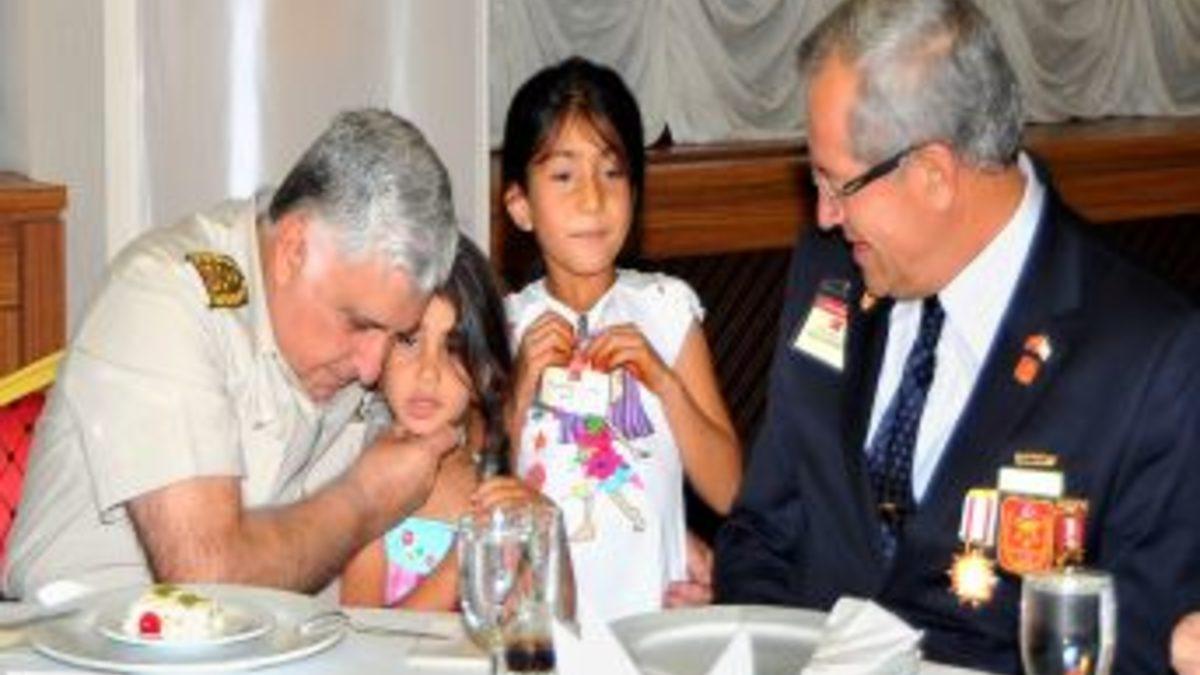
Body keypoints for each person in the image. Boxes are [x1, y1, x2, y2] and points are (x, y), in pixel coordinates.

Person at [713, 0, 1200, 672]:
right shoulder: (833, 275)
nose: (824, 214)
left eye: (836, 182)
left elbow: (1143, 642)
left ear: (934, 174)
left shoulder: (1149, 353)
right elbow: (763, 530)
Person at [3, 109, 463, 599]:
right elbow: (206, 578)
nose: (371, 368)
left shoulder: (353, 320)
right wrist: (365, 501)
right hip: (76, 632)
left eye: (398, 336)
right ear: (293, 248)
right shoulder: (163, 296)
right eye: (359, 324)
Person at [500, 57, 742, 622]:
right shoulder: (506, 326)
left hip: (654, 625)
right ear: (520, 205)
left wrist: (665, 382)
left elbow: (731, 492)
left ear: (635, 190)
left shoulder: (666, 309)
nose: (592, 199)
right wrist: (520, 389)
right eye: (564, 175)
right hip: (544, 629)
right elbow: (481, 493)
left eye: (612, 172)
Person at [340, 236, 542, 609]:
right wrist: (458, 565)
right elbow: (363, 633)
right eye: (409, 340)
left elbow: (536, 623)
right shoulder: (371, 487)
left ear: (484, 371)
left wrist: (543, 534)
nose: (428, 373)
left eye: (453, 348)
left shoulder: (494, 491)